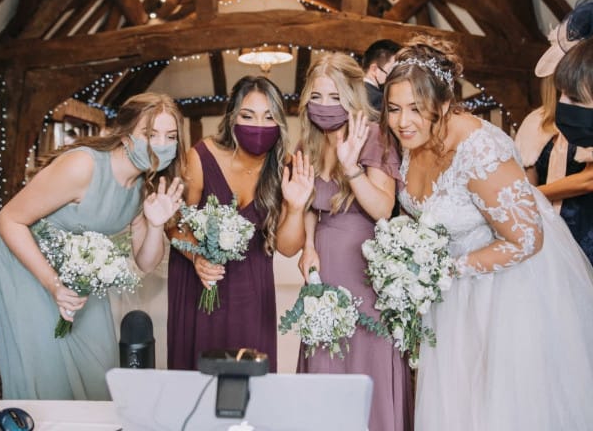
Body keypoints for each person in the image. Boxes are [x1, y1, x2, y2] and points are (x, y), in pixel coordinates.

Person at [383, 34, 593, 431]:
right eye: (394, 109)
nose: (402, 121)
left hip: (506, 293)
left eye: (416, 108)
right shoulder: (414, 138)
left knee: (497, 407)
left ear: (444, 104)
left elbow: (527, 239)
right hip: (453, 291)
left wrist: (442, 269)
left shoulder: (481, 150)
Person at [0, 92, 186, 400]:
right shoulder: (83, 166)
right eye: (150, 134)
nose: (161, 144)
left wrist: (155, 224)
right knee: (48, 373)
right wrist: (52, 284)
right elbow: (8, 221)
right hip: (27, 266)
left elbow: (147, 262)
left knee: (98, 368)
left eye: (170, 136)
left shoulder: (143, 186)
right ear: (125, 137)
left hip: (82, 274)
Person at [291, 52, 413, 431]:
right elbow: (311, 205)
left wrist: (351, 169)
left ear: (353, 97)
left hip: (366, 270)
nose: (325, 106)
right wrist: (309, 244)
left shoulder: (375, 136)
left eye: (335, 97)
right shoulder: (308, 143)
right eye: (317, 97)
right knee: (326, 361)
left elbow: (383, 207)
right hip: (325, 270)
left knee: (368, 360)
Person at [166, 76, 313, 373]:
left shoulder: (282, 167)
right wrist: (198, 257)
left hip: (252, 290)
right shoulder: (201, 156)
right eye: (248, 115)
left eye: (268, 117)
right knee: (198, 377)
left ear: (279, 123)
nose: (258, 125)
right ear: (232, 117)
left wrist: (296, 207)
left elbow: (286, 248)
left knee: (248, 381)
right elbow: (175, 221)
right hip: (201, 282)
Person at [516, 0, 593, 264]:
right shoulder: (535, 122)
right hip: (548, 229)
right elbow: (528, 177)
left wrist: (530, 195)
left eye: (573, 96)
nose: (564, 102)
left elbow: (588, 178)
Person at [362, 39, 400, 111]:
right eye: (392, 71)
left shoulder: (353, 88)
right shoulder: (378, 100)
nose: (395, 76)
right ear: (374, 69)